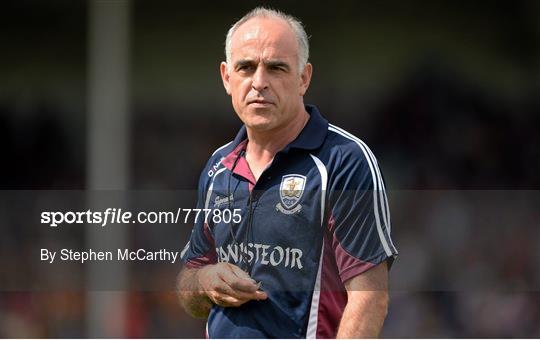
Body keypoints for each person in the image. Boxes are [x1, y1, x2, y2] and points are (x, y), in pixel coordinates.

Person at [176, 7, 397, 338]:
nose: (259, 82)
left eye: (276, 68)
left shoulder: (344, 160)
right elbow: (189, 283)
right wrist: (205, 281)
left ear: (303, 78)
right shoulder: (217, 167)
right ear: (226, 77)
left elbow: (370, 298)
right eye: (246, 67)